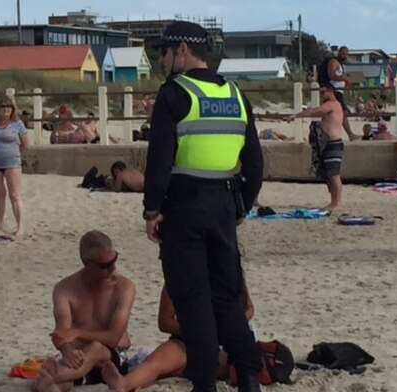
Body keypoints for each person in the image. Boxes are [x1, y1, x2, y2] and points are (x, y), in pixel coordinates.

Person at [144, 21, 264, 392]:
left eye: (163, 52)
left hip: (184, 207)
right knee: (227, 296)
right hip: (225, 204)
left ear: (182, 49)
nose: (161, 60)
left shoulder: (174, 93)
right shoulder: (235, 93)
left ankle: (204, 382)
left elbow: (160, 159)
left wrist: (152, 210)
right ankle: (248, 375)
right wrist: (241, 204)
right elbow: (256, 162)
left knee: (193, 299)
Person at [102, 279, 255, 392]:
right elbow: (165, 322)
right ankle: (124, 384)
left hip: (224, 342)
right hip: (188, 339)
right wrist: (198, 329)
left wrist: (230, 325)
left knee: (207, 359)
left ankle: (170, 371)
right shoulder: (178, 276)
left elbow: (249, 308)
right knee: (156, 362)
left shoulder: (228, 270)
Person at [33, 230, 136, 392]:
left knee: (96, 347)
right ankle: (53, 385)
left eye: (114, 260)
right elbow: (61, 333)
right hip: (80, 358)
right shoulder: (65, 289)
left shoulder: (124, 287)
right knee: (66, 380)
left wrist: (77, 333)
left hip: (112, 358)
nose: (112, 269)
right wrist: (67, 351)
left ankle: (51, 376)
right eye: (105, 265)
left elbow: (114, 337)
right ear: (86, 262)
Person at [285, 83, 345, 211]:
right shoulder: (330, 105)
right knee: (329, 174)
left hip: (333, 143)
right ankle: (333, 201)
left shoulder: (332, 104)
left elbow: (315, 111)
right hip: (327, 143)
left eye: (323, 92)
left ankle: (337, 203)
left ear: (330, 92)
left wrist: (296, 116)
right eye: (320, 92)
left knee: (334, 174)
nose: (321, 95)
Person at [0, 96, 29, 235]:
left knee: (15, 195)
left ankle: (20, 226)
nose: (6, 109)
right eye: (3, 107)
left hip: (12, 163)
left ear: (12, 109)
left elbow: (26, 144)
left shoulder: (18, 124)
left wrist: (12, 152)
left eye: (8, 107)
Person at [324, 47, 360, 141]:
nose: (345, 56)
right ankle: (350, 134)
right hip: (334, 90)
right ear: (339, 53)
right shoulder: (334, 62)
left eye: (346, 54)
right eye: (343, 54)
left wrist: (346, 81)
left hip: (340, 91)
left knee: (339, 113)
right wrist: (344, 79)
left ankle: (335, 134)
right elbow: (332, 75)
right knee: (343, 113)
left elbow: (340, 77)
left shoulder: (342, 65)